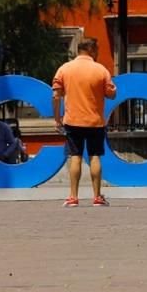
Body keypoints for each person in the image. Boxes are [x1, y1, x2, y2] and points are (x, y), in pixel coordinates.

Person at [52, 37, 117, 207]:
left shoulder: (64, 69)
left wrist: (57, 119)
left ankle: (73, 197)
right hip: (95, 121)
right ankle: (97, 197)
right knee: (95, 156)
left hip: (72, 120)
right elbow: (111, 94)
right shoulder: (101, 70)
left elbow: (56, 95)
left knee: (76, 156)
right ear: (92, 50)